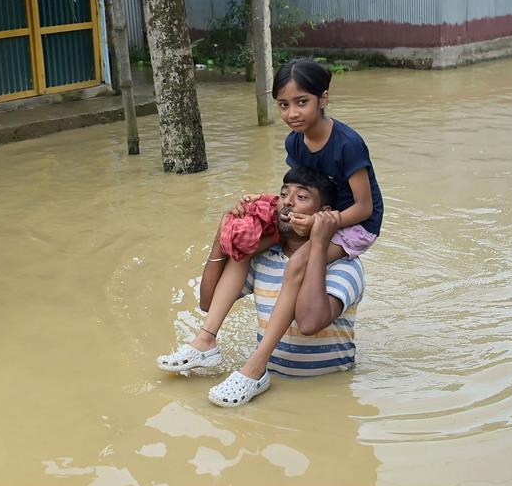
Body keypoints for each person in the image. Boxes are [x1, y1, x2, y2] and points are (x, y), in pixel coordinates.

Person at [156, 57, 383, 380]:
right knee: (246, 242)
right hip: (319, 213)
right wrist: (262, 205)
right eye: (283, 105)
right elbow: (303, 184)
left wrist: (319, 225)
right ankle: (206, 339)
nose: (292, 113)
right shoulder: (294, 140)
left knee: (297, 264)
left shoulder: (347, 144)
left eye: (301, 103)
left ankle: (255, 365)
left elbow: (364, 208)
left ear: (324, 99)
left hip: (355, 225)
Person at [159, 166, 366, 407]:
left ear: (324, 213)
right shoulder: (264, 257)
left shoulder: (345, 265)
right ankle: (207, 344)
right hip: (264, 383)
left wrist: (319, 243)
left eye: (301, 197)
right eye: (283, 194)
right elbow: (207, 302)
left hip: (327, 392)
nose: (288, 203)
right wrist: (221, 238)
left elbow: (310, 322)